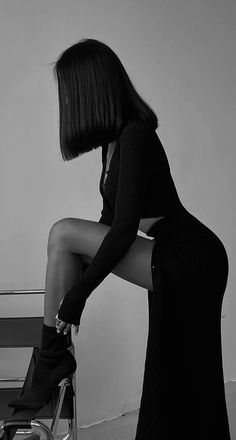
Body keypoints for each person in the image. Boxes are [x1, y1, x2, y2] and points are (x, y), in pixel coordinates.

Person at [8, 38, 231, 439]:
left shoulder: (136, 136)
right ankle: (51, 356)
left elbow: (123, 232)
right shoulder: (111, 144)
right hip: (175, 254)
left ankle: (50, 358)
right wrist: (73, 284)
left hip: (193, 256)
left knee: (62, 232)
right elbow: (106, 227)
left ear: (92, 90)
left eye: (71, 93)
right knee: (184, 369)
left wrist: (75, 299)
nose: (68, 105)